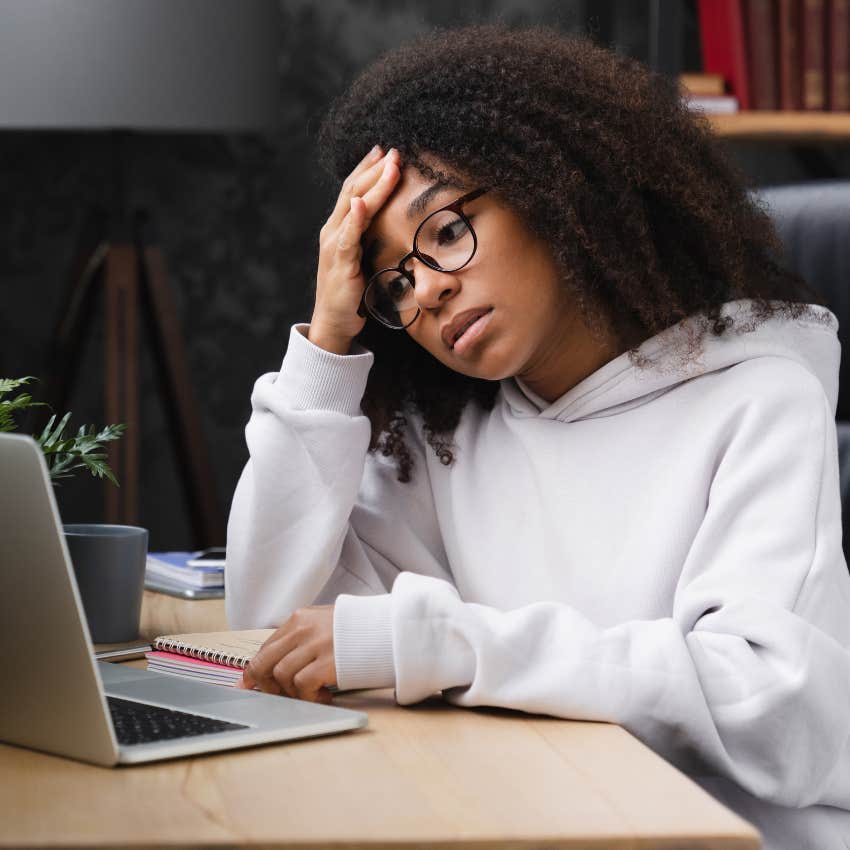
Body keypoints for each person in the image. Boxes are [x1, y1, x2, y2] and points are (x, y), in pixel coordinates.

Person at [225, 24, 850, 850]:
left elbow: (769, 705)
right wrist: (327, 349)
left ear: (552, 187)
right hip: (524, 819)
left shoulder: (756, 399)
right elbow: (271, 627)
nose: (432, 292)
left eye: (447, 230)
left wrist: (439, 644)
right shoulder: (449, 436)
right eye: (395, 282)